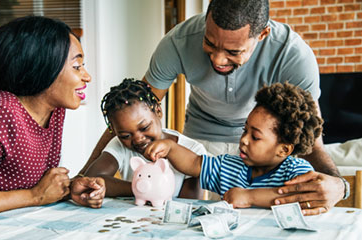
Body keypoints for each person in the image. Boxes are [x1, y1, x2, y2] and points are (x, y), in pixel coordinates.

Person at [82, 0, 347, 215]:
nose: (218, 59)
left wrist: (339, 185)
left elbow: (313, 143)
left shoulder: (293, 55)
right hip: (201, 138)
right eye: (210, 43)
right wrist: (82, 176)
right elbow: (134, 109)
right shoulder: (178, 41)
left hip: (263, 140)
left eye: (233, 51)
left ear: (263, 34)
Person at [0, 16, 105, 227]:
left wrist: (68, 189)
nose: (87, 76)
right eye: (77, 66)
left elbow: (33, 187)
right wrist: (35, 196)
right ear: (42, 66)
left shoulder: (55, 111)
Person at [144, 82, 321, 210]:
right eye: (245, 131)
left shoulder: (296, 171)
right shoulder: (230, 167)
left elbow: (298, 197)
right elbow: (194, 163)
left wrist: (249, 197)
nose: (244, 140)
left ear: (284, 149)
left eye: (255, 137)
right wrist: (170, 148)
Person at [75, 79, 206, 199]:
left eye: (144, 127)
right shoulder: (120, 145)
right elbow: (91, 179)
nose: (138, 139)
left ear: (158, 111)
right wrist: (139, 189)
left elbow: (190, 203)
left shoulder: (193, 150)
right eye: (125, 136)